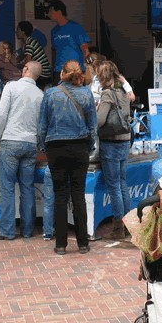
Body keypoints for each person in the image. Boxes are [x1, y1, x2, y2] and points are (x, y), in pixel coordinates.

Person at [37, 59, 97, 255]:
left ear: (62, 73)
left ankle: (61, 244)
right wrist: (89, 147)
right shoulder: (87, 94)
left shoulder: (51, 94)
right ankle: (83, 243)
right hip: (79, 147)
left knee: (60, 196)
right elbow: (93, 127)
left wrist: (43, 147)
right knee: (78, 195)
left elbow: (42, 127)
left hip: (56, 147)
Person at [0, 62, 44, 240]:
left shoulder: (11, 87)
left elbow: (1, 114)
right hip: (30, 144)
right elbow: (41, 124)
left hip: (10, 141)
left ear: (25, 70)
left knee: (7, 187)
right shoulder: (40, 94)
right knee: (27, 188)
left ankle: (6, 230)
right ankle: (27, 230)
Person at [95, 61, 133, 240]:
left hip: (110, 143)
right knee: (122, 183)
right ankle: (129, 224)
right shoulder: (125, 92)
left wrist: (95, 112)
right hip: (125, 140)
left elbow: (100, 121)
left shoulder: (107, 94)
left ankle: (118, 227)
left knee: (114, 186)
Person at [48, 0, 91, 77]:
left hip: (76, 71)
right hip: (59, 70)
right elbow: (55, 51)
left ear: (59, 12)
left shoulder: (76, 27)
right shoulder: (53, 31)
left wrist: (88, 70)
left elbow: (85, 49)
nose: (49, 14)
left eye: (51, 12)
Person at [16, 21, 52, 89]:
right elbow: (24, 56)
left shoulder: (29, 43)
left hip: (42, 76)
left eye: (18, 30)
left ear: (23, 32)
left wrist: (18, 65)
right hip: (45, 75)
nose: (16, 32)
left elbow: (28, 63)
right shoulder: (31, 41)